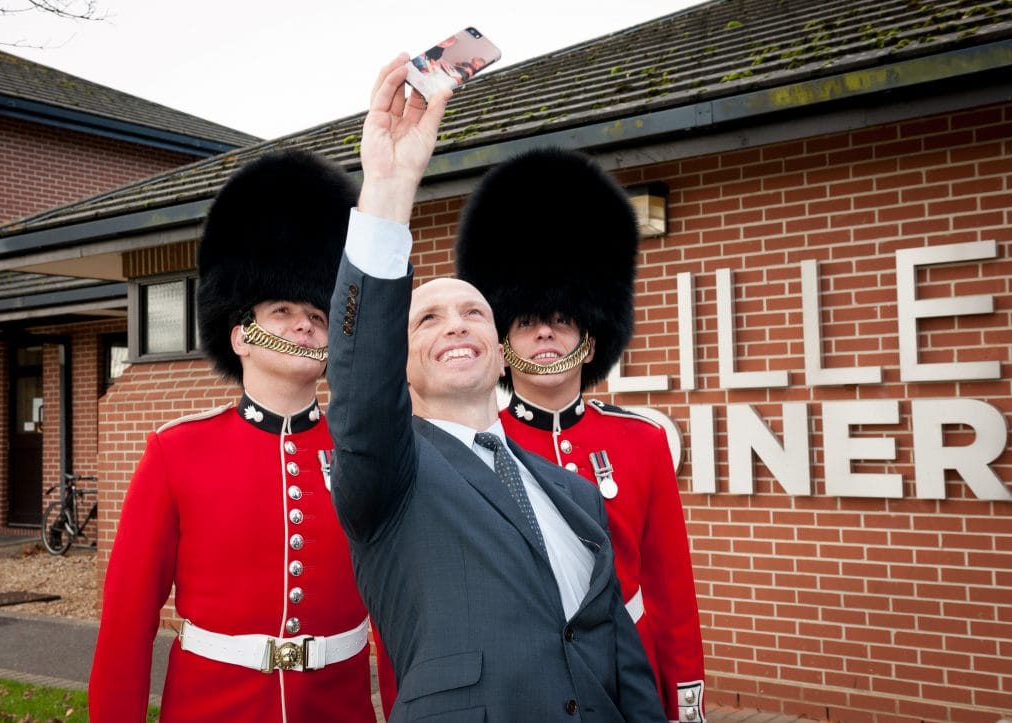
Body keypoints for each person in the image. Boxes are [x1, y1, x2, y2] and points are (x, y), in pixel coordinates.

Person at [326, 54, 666, 722]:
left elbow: (623, 667)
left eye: (474, 312)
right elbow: (361, 380)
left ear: (502, 352)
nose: (457, 324)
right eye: (428, 317)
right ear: (399, 361)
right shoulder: (389, 473)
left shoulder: (573, 494)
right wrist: (390, 191)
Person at [88, 150, 377, 723]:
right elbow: (128, 621)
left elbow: (400, 615)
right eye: (282, 310)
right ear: (241, 336)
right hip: (213, 706)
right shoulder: (178, 451)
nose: (304, 324)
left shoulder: (363, 450)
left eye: (317, 317)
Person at [455, 147, 708, 722]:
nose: (545, 330)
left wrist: (684, 703)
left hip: (627, 673)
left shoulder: (639, 442)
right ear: (503, 345)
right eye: (526, 321)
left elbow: (671, 591)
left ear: (589, 340)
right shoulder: (473, 446)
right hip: (521, 682)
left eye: (563, 319)